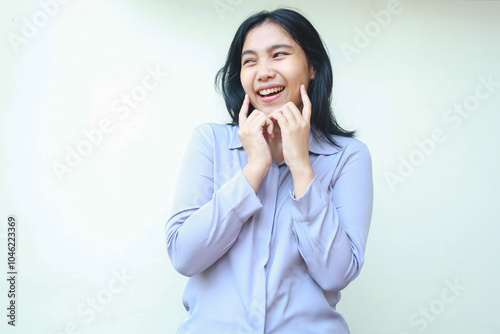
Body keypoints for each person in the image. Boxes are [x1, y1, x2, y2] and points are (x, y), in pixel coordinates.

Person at [165, 8, 373, 334]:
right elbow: (184, 256)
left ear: (313, 67)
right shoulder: (210, 142)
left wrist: (302, 167)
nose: (263, 71)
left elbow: (335, 273)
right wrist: (254, 169)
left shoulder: (348, 156)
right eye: (250, 61)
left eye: (279, 55)